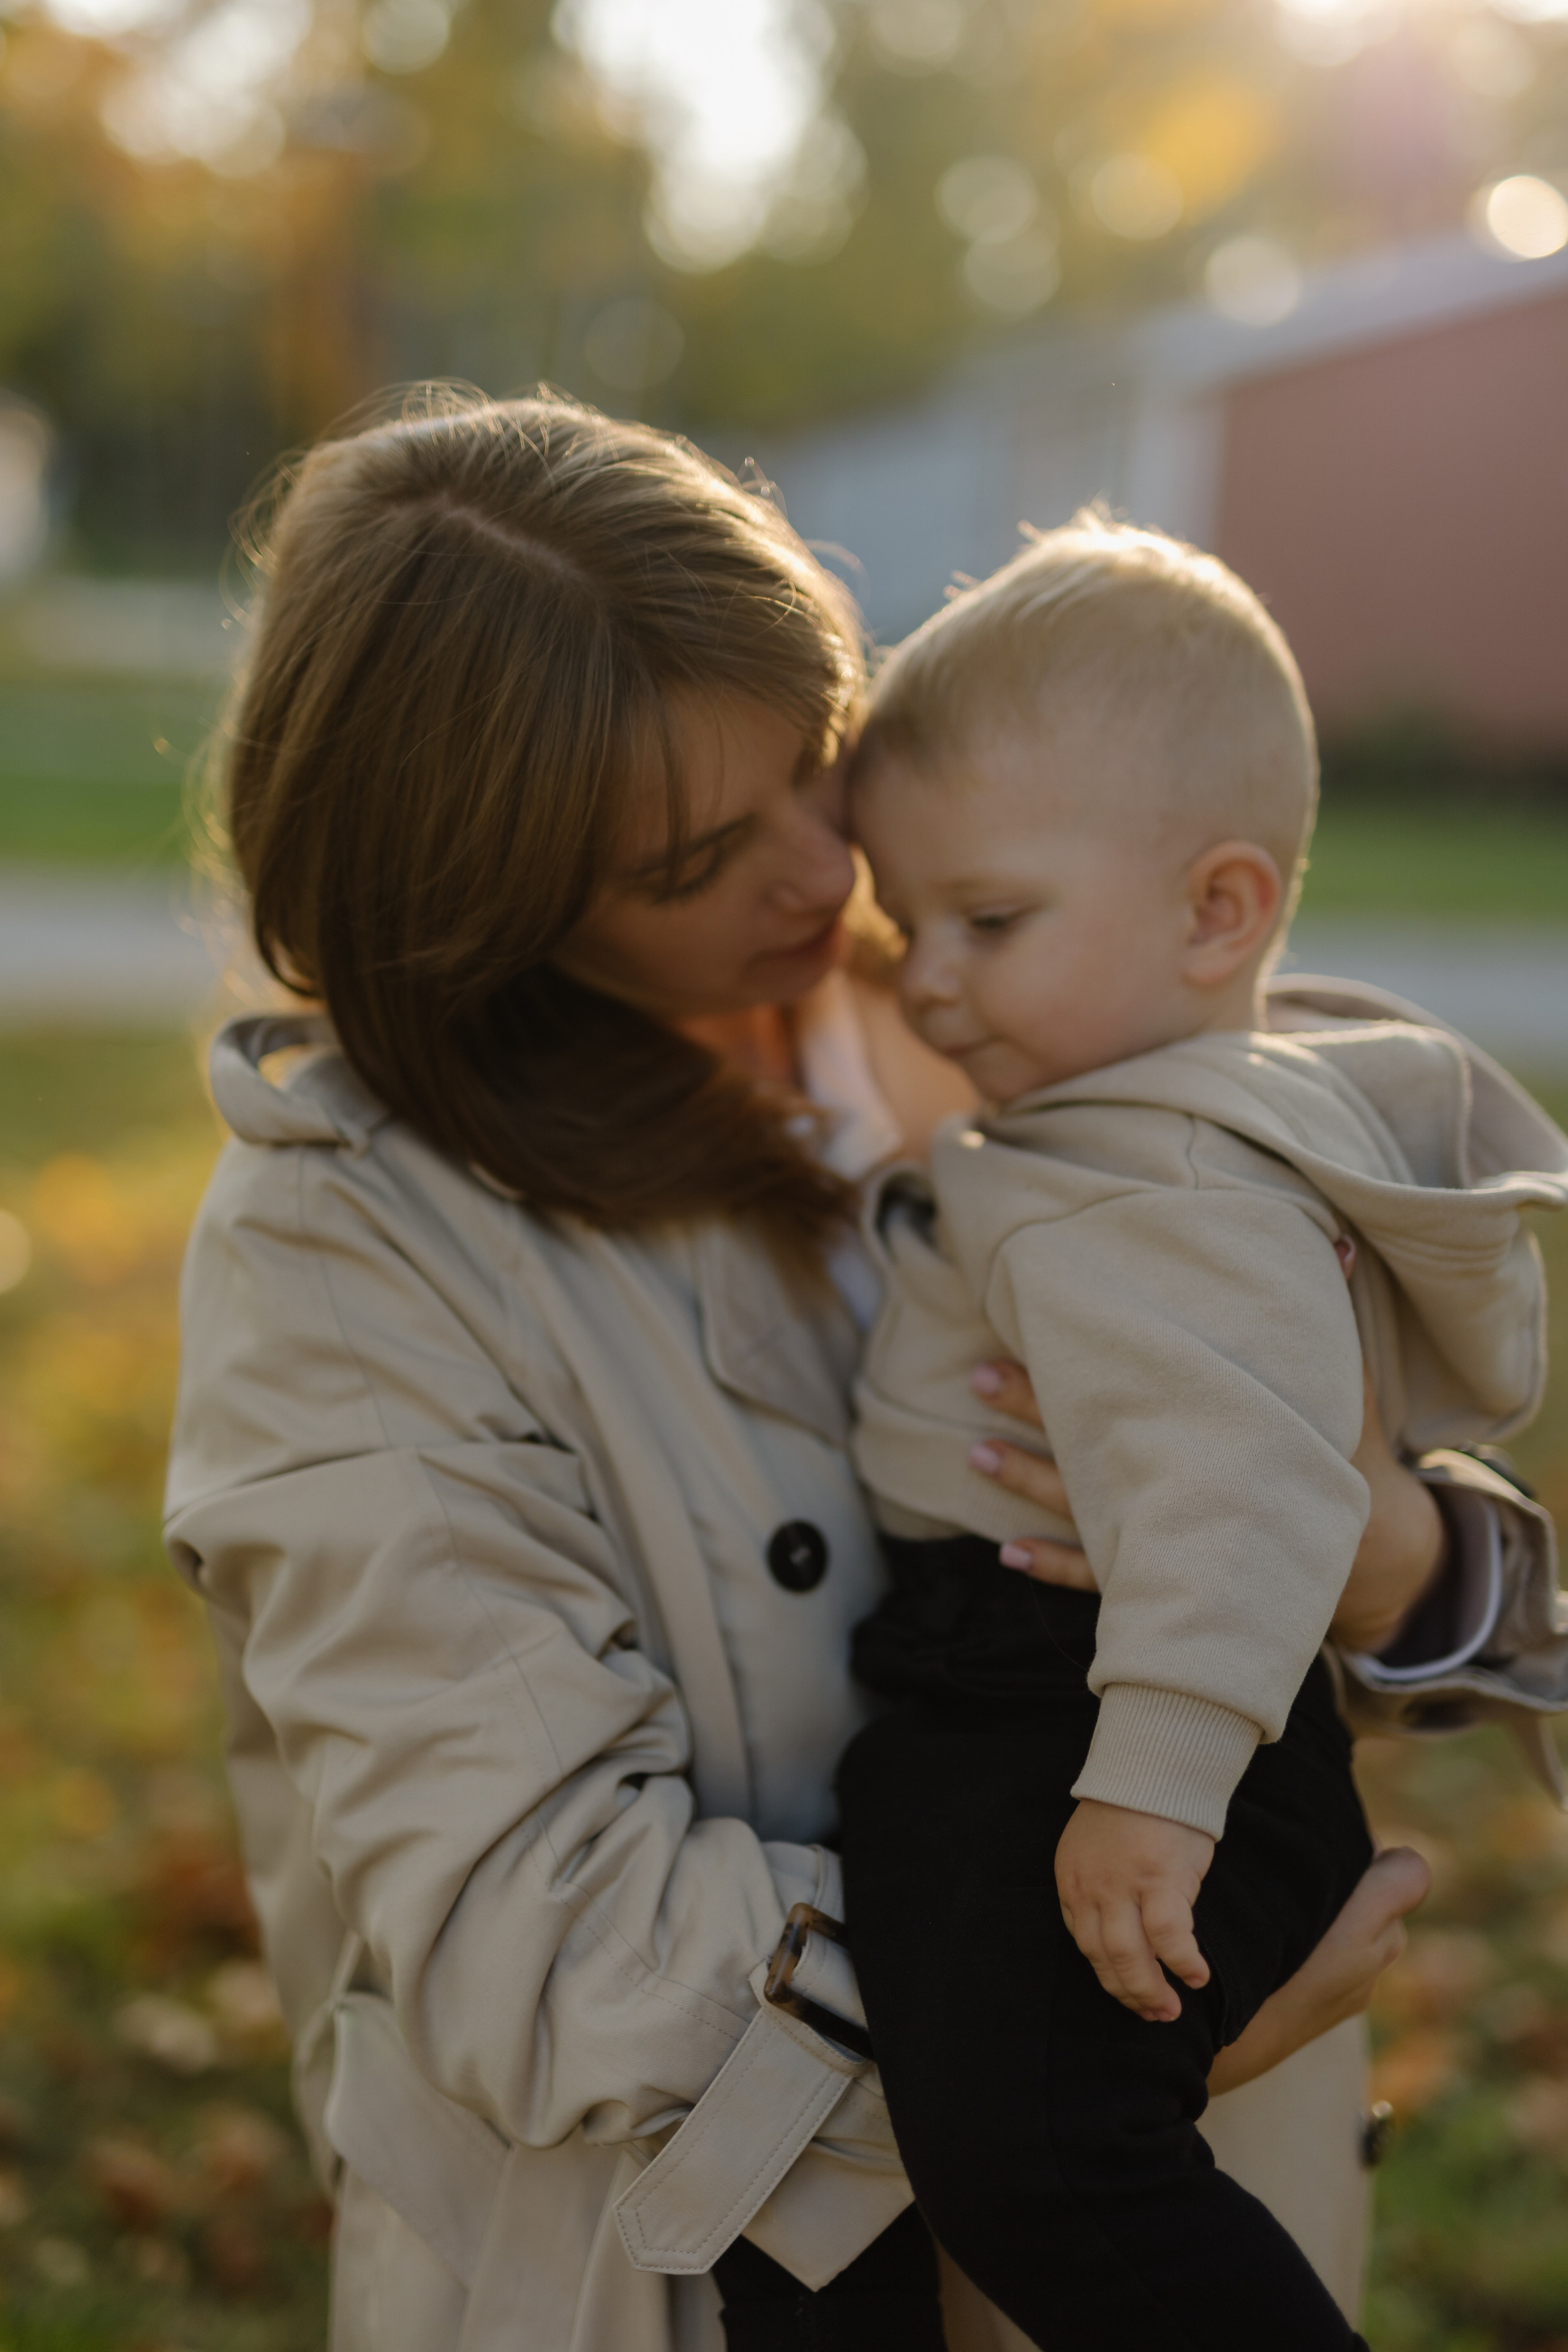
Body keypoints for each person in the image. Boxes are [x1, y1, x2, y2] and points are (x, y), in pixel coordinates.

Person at [164, 395, 1440, 2352]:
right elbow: (538, 1933)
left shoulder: (1006, 1006)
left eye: (817, 757)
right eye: (696, 855)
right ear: (487, 905)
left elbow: (1328, 1466)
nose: (818, 872)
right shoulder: (353, 1254)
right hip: (739, 2262)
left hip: (1171, 2149)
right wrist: (1089, 2051)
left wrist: (1401, 1558)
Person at [837, 511, 1568, 2350]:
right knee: (1023, 2140)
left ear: (1220, 909)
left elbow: (1247, 1490)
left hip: (1092, 1718)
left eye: (987, 923)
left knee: (1048, 2158)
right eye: (905, 925)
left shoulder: (1145, 1174)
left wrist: (1150, 1788)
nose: (926, 981)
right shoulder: (1157, 1123)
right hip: (1057, 1702)